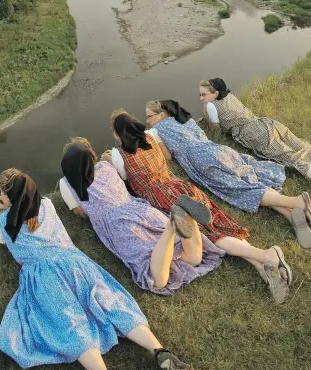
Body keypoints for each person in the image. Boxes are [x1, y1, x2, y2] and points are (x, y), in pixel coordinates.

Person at [0, 168, 195, 370]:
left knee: (68, 322)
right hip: (75, 264)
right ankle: (162, 353)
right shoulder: (45, 205)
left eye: (2, 191)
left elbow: (6, 237)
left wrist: (3, 205)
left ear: (7, 195)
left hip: (43, 276)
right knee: (111, 302)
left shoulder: (2, 222)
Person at [105, 109, 293, 304]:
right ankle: (262, 267)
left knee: (211, 235)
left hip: (160, 197)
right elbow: (166, 157)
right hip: (180, 186)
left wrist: (108, 161)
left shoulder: (119, 156)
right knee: (217, 224)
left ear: (117, 134)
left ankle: (266, 254)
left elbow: (123, 181)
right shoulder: (151, 137)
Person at [59, 138, 226, 296]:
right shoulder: (106, 166)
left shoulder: (68, 183)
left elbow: (81, 214)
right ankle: (186, 216)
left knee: (158, 279)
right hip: (139, 209)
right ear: (91, 156)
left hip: (119, 225)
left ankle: (171, 228)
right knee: (194, 259)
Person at [145, 100, 311, 250]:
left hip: (202, 162)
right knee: (247, 181)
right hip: (218, 150)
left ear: (162, 114)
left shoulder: (157, 130)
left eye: (150, 116)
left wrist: (159, 144)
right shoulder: (184, 119)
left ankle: (295, 201)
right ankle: (290, 214)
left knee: (240, 190)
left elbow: (167, 156)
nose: (148, 121)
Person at [199, 78, 311, 206]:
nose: (201, 98)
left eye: (203, 94)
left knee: (297, 161)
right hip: (267, 123)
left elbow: (215, 128)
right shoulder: (229, 96)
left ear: (215, 93)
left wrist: (209, 119)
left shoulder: (211, 105)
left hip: (256, 135)